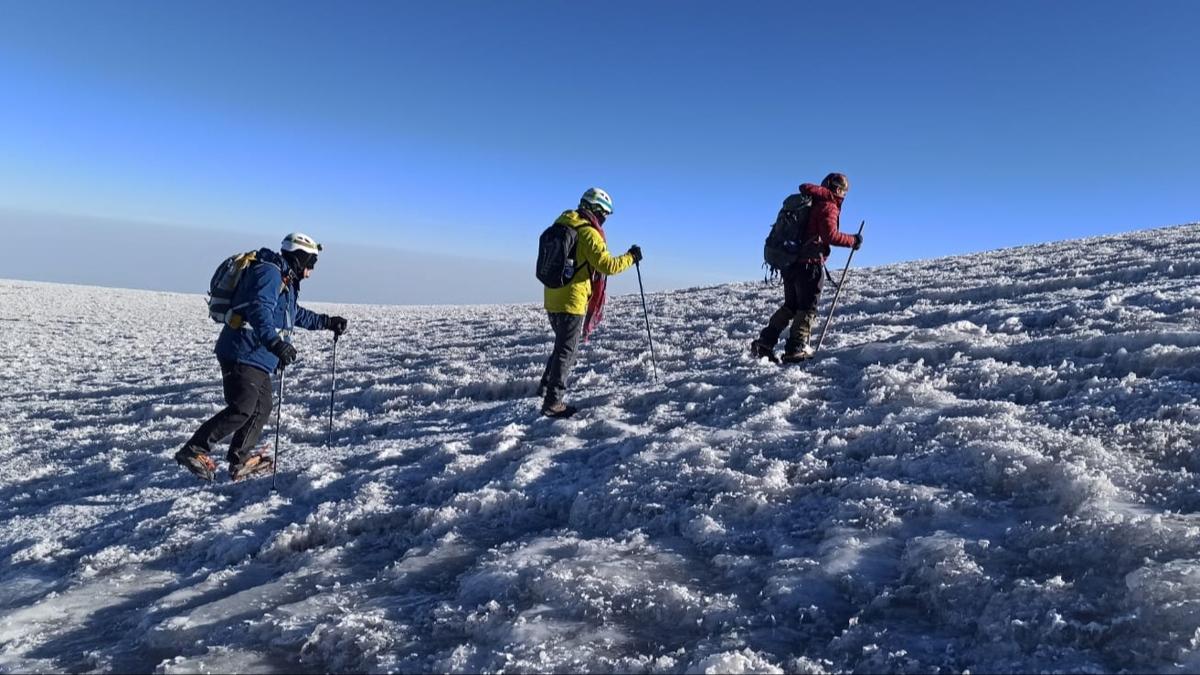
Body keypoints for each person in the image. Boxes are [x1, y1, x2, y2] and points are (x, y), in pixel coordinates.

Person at [175, 232, 348, 481]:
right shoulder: (269, 273)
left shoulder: (284, 279)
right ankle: (194, 449)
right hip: (243, 351)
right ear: (299, 257)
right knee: (243, 406)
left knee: (261, 407)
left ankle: (240, 459)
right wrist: (276, 343)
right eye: (309, 265)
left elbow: (291, 314)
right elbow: (259, 310)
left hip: (257, 355)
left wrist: (327, 322)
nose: (309, 273)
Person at [539, 188, 641, 418]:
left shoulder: (563, 222)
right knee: (567, 350)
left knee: (561, 346)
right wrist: (631, 257)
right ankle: (553, 402)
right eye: (604, 214)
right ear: (596, 210)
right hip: (572, 300)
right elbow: (607, 266)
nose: (604, 219)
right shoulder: (588, 233)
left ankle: (545, 387)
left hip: (553, 295)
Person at [751, 173, 862, 363]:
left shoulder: (809, 202)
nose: (843, 195)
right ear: (837, 189)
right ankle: (795, 348)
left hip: (791, 263)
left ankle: (765, 342)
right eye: (843, 190)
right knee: (807, 308)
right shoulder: (828, 205)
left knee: (790, 306)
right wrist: (853, 240)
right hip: (810, 265)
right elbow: (830, 235)